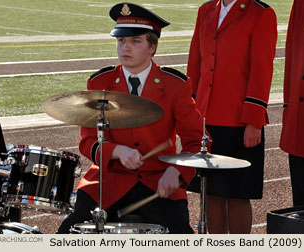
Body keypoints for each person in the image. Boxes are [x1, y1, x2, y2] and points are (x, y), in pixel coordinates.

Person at [57, 2, 208, 234]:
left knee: (182, 234)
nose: (125, 48)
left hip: (158, 181)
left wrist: (176, 171)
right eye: (121, 41)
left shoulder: (175, 85)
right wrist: (117, 151)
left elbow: (197, 141)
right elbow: (88, 142)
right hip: (108, 183)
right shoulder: (100, 83)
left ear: (152, 47)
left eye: (135, 41)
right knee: (70, 231)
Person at [187, 0, 277, 233]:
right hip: (206, 119)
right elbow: (195, 65)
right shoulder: (205, 10)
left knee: (238, 195)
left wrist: (254, 122)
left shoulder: (261, 13)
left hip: (240, 121)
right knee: (212, 194)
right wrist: (191, 113)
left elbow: (262, 69)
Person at [280, 0, 304, 207]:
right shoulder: (301, 4)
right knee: (301, 201)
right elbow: (292, 55)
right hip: (301, 117)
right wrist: (289, 108)